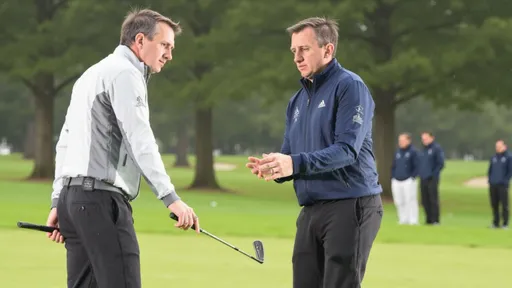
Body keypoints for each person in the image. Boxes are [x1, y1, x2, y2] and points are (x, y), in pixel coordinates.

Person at [44, 8, 200, 288]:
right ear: (140, 41)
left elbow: (64, 143)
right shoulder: (125, 74)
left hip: (73, 201)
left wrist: (58, 200)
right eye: (164, 45)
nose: (169, 54)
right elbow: (140, 139)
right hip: (100, 202)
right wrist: (170, 198)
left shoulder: (91, 74)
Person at [246, 17, 383, 288]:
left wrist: (294, 164)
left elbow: (346, 151)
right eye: (293, 50)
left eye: (304, 49)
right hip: (311, 209)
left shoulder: (349, 87)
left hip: (350, 203)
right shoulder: (297, 100)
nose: (297, 57)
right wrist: (275, 167)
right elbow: (291, 155)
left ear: (328, 50)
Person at [391, 133, 420, 225]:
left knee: (410, 200)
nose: (401, 142)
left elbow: (417, 166)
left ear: (408, 140)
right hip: (397, 179)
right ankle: (403, 219)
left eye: (403, 140)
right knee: (399, 200)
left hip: (408, 180)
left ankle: (413, 220)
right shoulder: (398, 152)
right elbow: (393, 165)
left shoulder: (413, 152)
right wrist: (393, 176)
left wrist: (412, 177)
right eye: (400, 140)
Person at [418, 131, 445, 225]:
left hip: (432, 178)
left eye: (426, 138)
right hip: (423, 177)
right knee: (424, 199)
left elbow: (440, 163)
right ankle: (428, 219)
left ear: (431, 138)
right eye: (423, 139)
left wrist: (433, 174)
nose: (424, 140)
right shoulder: (422, 150)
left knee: (433, 199)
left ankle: (435, 220)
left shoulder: (436, 148)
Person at [487, 139, 511, 229]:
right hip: (493, 184)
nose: (497, 148)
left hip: (503, 185)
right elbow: (490, 170)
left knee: (504, 205)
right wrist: (490, 180)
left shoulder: (508, 157)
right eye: (496, 146)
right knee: (494, 204)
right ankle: (495, 222)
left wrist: (505, 181)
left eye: (499, 146)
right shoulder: (494, 158)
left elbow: (510, 171)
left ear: (504, 146)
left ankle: (505, 223)